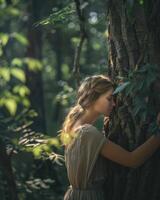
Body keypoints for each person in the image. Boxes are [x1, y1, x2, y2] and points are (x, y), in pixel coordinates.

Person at [60, 74, 160, 200]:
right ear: (93, 98)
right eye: (109, 99)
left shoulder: (74, 124)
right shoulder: (88, 133)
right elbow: (133, 160)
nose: (114, 104)